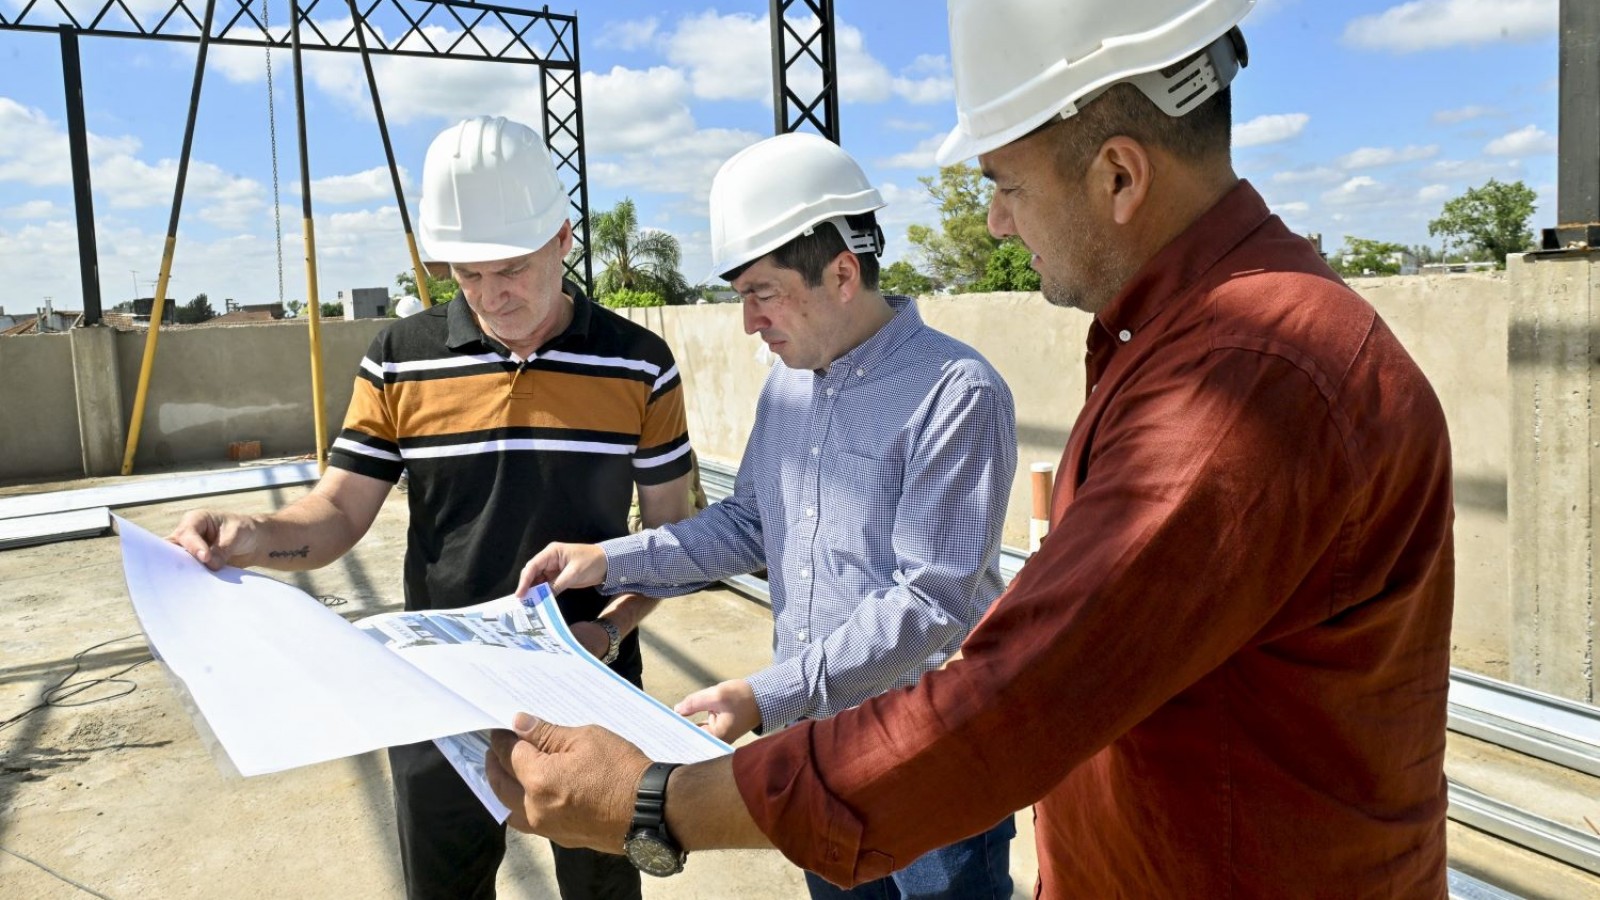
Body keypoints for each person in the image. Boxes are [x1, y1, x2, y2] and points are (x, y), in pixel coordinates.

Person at [484, 0, 1456, 895]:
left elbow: (1012, 696)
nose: (993, 218)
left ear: (1119, 174)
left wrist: (662, 802)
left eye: (1004, 184)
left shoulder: (1246, 377)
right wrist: (611, 560)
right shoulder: (1180, 346)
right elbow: (751, 526)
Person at [168, 115, 696, 900]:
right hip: (437, 699)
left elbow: (676, 542)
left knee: (602, 891)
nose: (490, 296)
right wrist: (257, 535)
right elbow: (339, 514)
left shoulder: (638, 363)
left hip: (591, 691)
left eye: (510, 269)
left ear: (563, 238)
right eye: (467, 274)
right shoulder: (398, 359)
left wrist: (609, 630)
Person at [517, 132, 1019, 899]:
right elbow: (749, 525)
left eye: (763, 292)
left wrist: (763, 695)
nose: (749, 322)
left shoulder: (955, 392)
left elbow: (929, 602)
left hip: (929, 756)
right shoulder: (789, 386)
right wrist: (609, 558)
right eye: (741, 296)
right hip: (816, 753)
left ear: (844, 272)